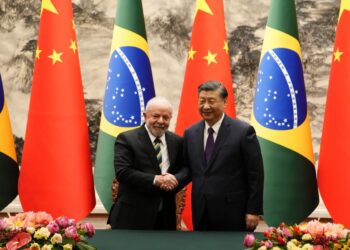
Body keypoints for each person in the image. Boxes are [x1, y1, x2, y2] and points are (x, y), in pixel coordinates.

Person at [176, 81, 264, 231]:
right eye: (202, 101)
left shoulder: (243, 132)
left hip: (233, 211)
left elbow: (255, 173)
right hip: (201, 208)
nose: (206, 106)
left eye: (211, 101)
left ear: (224, 102)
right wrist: (170, 180)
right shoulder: (190, 133)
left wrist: (253, 210)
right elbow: (188, 169)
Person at [108, 96, 182, 230]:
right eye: (156, 116)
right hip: (132, 217)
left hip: (165, 218)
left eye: (166, 117)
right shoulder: (127, 139)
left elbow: (185, 169)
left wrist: (174, 180)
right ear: (145, 115)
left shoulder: (177, 141)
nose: (161, 121)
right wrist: (156, 180)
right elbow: (122, 172)